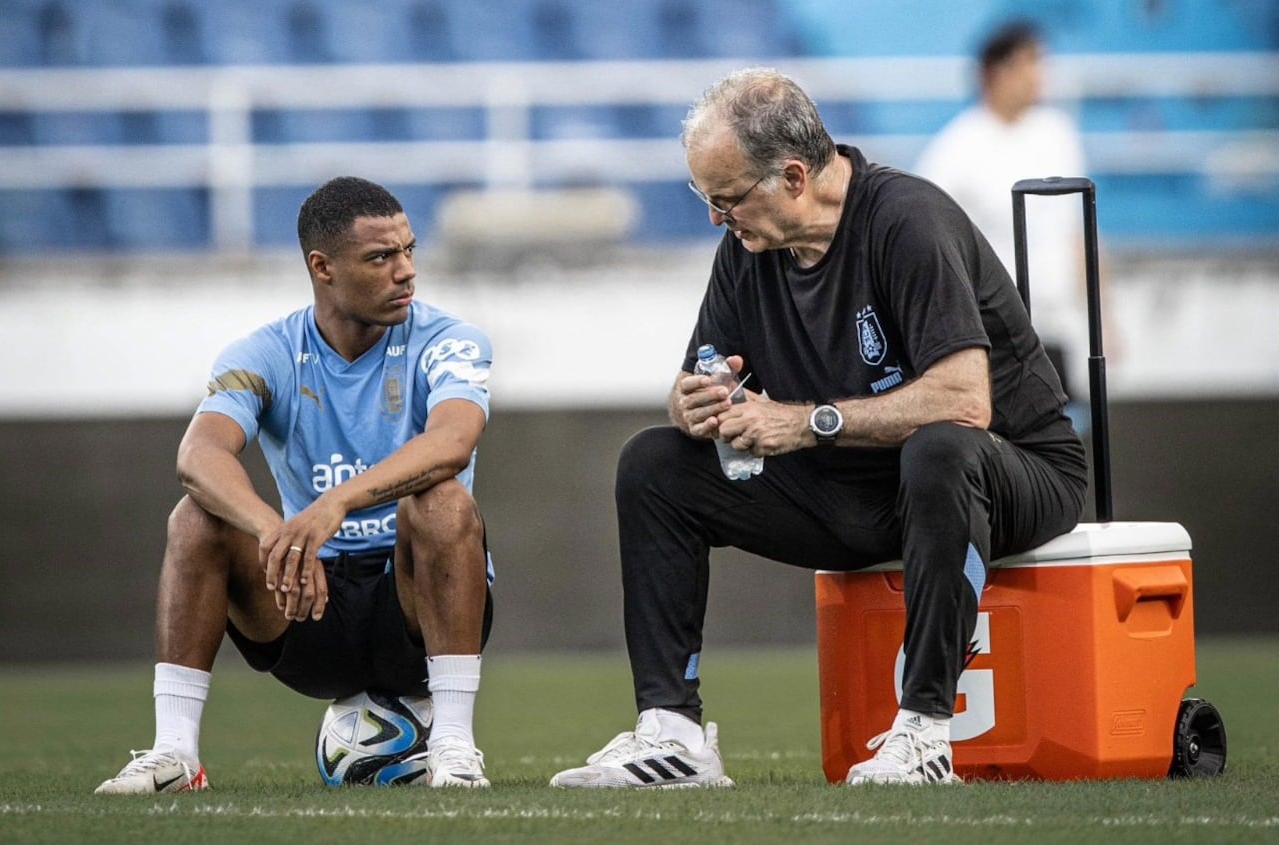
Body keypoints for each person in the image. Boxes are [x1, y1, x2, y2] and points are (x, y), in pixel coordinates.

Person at [549, 68, 1087, 788]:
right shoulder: (747, 251)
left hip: (1013, 471)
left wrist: (804, 422)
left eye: (726, 198)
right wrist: (695, 406)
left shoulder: (906, 220)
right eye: (703, 198)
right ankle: (673, 733)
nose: (716, 218)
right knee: (653, 463)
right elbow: (706, 378)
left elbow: (965, 403)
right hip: (858, 488)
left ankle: (924, 731)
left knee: (940, 449)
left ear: (794, 177)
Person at [95, 176, 496, 793]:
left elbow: (453, 441)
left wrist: (335, 502)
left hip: (416, 605)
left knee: (442, 500)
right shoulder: (266, 352)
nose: (406, 272)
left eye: (409, 251)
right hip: (306, 600)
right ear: (323, 267)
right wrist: (271, 529)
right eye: (381, 257)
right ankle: (174, 755)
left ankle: (454, 747)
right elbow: (198, 454)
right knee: (195, 517)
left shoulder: (449, 340)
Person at [914, 19, 1097, 416]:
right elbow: (929, 240)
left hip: (1061, 322)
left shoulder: (1057, 131)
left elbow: (1075, 227)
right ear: (995, 72)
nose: (1039, 75)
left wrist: (1101, 312)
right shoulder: (955, 149)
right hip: (1001, 328)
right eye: (1028, 63)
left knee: (1071, 437)